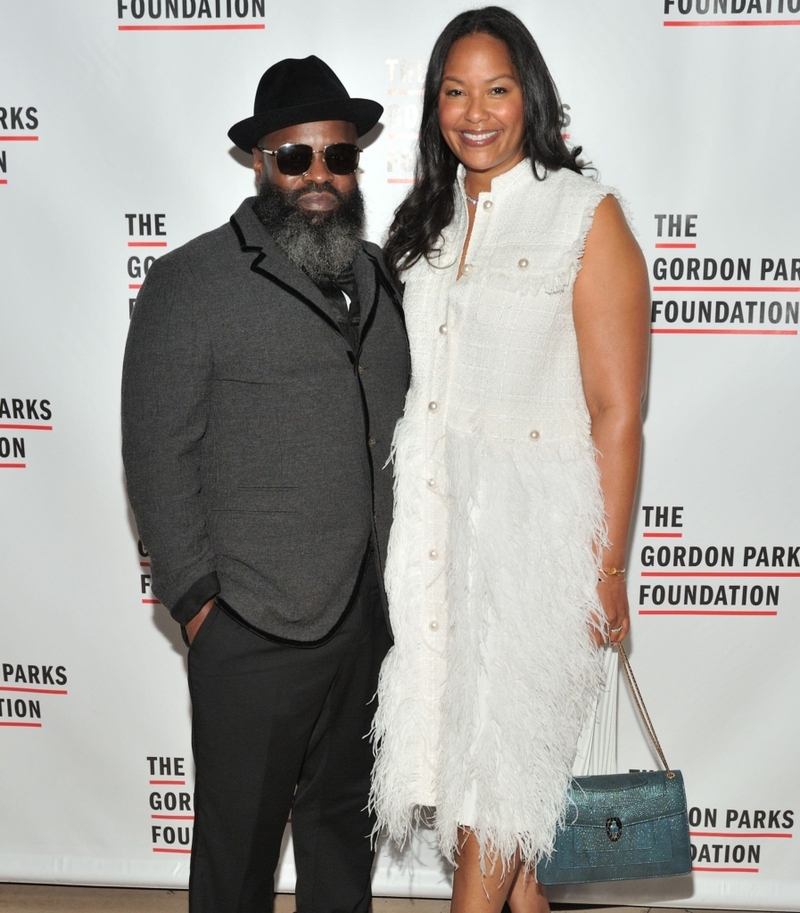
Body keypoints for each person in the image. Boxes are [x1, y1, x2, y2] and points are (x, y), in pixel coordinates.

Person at [369, 8, 650, 913]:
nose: (475, 112)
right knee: (501, 826)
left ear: (529, 96)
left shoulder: (584, 215)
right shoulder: (429, 222)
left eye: (496, 89)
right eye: (455, 91)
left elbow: (618, 412)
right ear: (435, 105)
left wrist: (607, 567)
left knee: (499, 794)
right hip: (437, 546)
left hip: (535, 548)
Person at [121, 56, 410, 913]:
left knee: (339, 845)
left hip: (365, 618)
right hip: (249, 621)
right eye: (297, 157)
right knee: (236, 863)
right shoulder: (192, 281)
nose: (320, 175)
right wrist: (201, 603)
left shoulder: (379, 274)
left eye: (338, 156)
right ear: (260, 162)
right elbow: (155, 454)